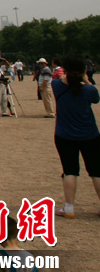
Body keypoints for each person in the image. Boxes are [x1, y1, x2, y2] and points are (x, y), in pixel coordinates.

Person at [51, 55, 100, 219]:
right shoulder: (89, 90)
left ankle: (69, 207)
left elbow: (61, 80)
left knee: (70, 171)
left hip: (64, 135)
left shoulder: (57, 85)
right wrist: (85, 80)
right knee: (96, 171)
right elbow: (95, 99)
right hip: (89, 134)